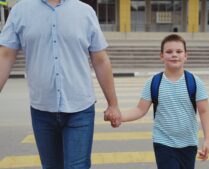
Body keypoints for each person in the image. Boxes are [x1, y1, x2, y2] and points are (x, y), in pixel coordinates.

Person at [0, 0, 121, 168]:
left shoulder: (85, 12)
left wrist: (113, 104)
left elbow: (100, 59)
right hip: (42, 109)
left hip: (80, 109)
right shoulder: (20, 11)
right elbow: (5, 55)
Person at [106, 34, 209, 169]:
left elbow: (204, 111)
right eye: (169, 52)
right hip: (163, 143)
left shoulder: (195, 82)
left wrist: (207, 140)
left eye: (179, 51)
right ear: (161, 56)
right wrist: (119, 117)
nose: (174, 55)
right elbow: (140, 110)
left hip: (189, 144)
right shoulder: (154, 82)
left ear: (186, 55)